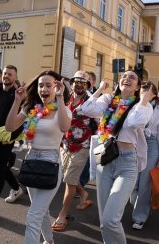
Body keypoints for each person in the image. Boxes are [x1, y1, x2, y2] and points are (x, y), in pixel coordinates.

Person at [79, 70, 155, 244]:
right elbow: (87, 109)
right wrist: (99, 90)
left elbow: (135, 121)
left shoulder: (143, 106)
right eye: (124, 76)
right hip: (105, 162)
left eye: (132, 77)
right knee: (104, 221)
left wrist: (144, 98)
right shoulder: (108, 100)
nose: (126, 78)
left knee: (110, 219)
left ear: (138, 86)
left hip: (127, 163)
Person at [5, 70, 71, 244]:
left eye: (48, 85)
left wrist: (60, 98)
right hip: (32, 161)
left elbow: (65, 128)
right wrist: (17, 101)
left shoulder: (62, 110)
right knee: (40, 211)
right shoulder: (32, 109)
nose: (44, 88)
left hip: (51, 163)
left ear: (57, 87)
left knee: (33, 214)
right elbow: (10, 127)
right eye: (41, 85)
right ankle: (49, 240)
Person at [52, 70, 94, 232]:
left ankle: (62, 215)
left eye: (83, 82)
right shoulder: (66, 97)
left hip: (82, 145)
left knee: (69, 180)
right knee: (69, 176)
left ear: (87, 85)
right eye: (76, 82)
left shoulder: (91, 101)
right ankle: (83, 194)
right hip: (65, 143)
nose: (79, 85)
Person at [0, 65, 24, 219]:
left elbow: (21, 118)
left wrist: (13, 135)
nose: (7, 76)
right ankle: (16, 188)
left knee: (0, 170)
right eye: (5, 73)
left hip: (7, 137)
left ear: (15, 77)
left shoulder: (18, 95)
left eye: (10, 74)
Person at [130, 81, 159, 230]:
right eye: (143, 88)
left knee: (145, 183)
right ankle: (135, 204)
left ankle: (139, 216)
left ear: (154, 94)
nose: (144, 90)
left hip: (151, 145)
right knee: (132, 181)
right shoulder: (133, 104)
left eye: (148, 89)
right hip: (133, 143)